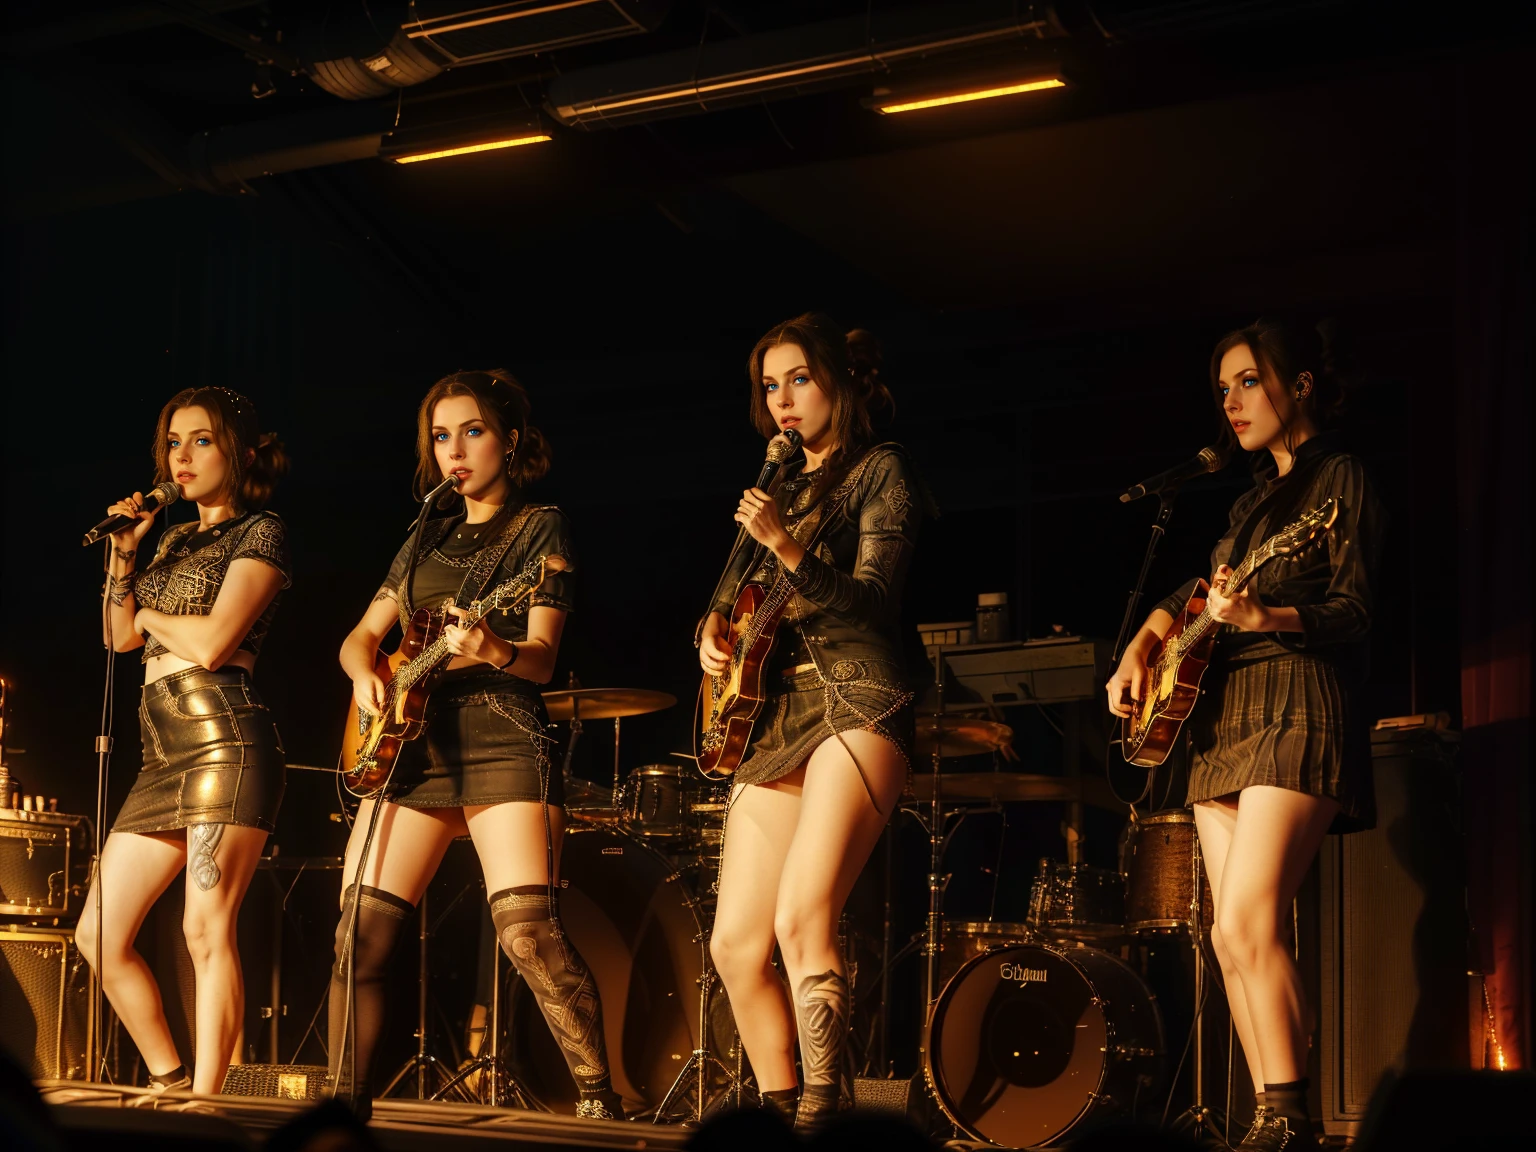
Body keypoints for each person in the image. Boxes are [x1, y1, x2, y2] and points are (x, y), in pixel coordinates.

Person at [1107, 319, 1383, 1151]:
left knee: (1251, 922)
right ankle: (1278, 1115)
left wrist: (1268, 614)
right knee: (1226, 932)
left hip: (1297, 699)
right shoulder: (1250, 500)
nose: (1230, 401)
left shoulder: (1340, 478)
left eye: (1248, 381)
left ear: (1299, 384)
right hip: (1222, 716)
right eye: (1221, 388)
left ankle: (1288, 1116)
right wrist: (1144, 639)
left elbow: (1357, 608)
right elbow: (1203, 589)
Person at [327, 370, 623, 1120]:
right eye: (439, 435)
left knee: (527, 935)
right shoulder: (426, 534)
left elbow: (543, 658)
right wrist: (367, 672)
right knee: (355, 934)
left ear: (510, 439)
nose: (453, 450)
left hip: (500, 732)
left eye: (472, 431)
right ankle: (340, 1112)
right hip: (410, 744)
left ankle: (597, 1098)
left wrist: (492, 647)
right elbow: (361, 636)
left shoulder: (539, 530)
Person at [699, 313, 929, 1131]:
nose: (783, 400)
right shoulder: (785, 487)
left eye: (798, 379)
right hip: (776, 715)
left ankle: (827, 1118)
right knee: (734, 945)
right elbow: (734, 599)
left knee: (802, 918)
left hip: (859, 696)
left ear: (841, 381)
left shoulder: (883, 471)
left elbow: (871, 604)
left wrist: (790, 547)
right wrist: (712, 636)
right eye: (770, 385)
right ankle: (782, 1110)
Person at [77, 387, 291, 1095]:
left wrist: (148, 610)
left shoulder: (260, 532)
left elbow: (212, 643)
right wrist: (124, 561)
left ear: (239, 449)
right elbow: (118, 636)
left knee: (205, 928)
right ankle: (170, 1080)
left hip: (224, 741)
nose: (183, 456)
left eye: (201, 440)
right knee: (97, 937)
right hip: (161, 753)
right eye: (173, 442)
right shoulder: (170, 540)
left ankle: (210, 1102)